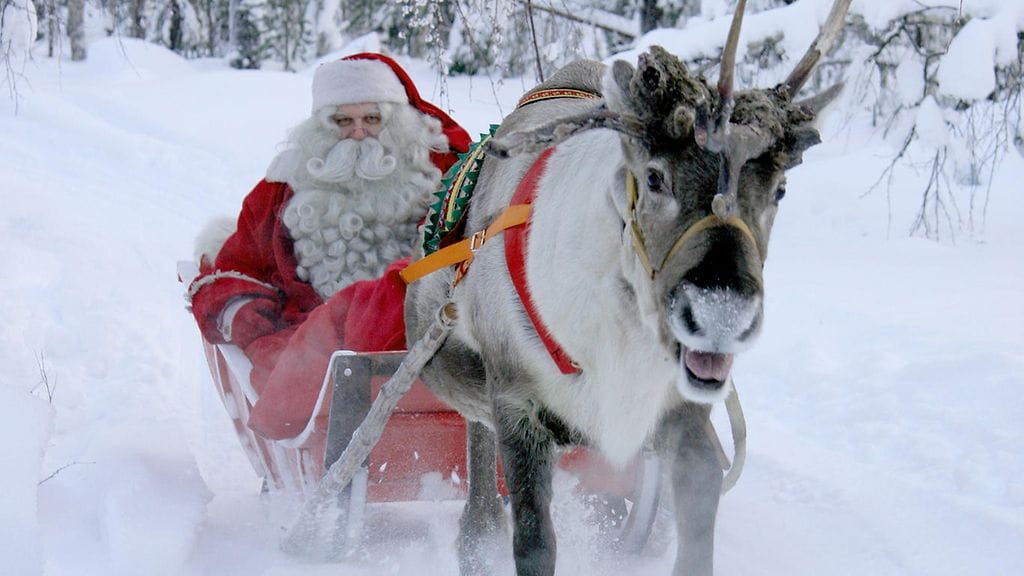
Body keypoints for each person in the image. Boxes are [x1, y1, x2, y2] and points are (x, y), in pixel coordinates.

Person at [187, 53, 471, 441]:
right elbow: (239, 266)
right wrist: (253, 320)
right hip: (317, 341)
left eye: (372, 119)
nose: (359, 133)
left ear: (398, 122)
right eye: (342, 121)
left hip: (429, 338)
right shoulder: (282, 188)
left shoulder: (444, 179)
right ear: (321, 126)